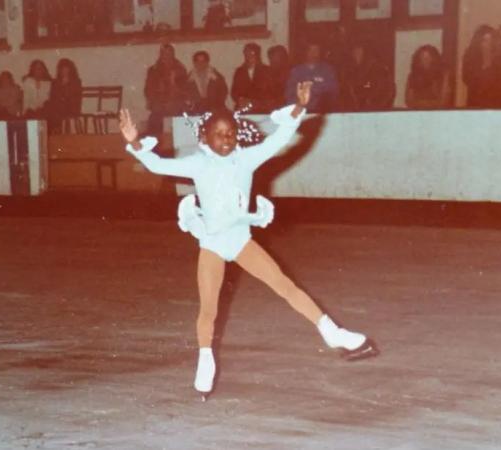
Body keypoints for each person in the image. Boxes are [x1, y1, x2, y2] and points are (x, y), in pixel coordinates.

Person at [119, 81, 378, 399]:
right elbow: (159, 164)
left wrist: (298, 107)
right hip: (213, 244)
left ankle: (333, 332)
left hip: (241, 240)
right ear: (204, 137)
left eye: (230, 134)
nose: (226, 140)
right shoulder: (197, 163)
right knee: (208, 309)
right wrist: (133, 140)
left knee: (285, 286)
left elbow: (280, 140)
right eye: (218, 135)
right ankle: (205, 359)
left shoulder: (247, 159)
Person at [144, 44, 187, 136]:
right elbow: (148, 89)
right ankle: (155, 142)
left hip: (176, 101)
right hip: (159, 102)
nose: (167, 56)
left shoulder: (181, 69)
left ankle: (180, 140)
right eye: (164, 54)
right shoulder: (153, 70)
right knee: (155, 116)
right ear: (160, 55)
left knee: (183, 114)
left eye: (169, 54)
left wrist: (174, 84)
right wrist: (153, 100)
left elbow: (185, 89)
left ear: (173, 55)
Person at [285, 42, 339, 113]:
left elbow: (333, 92)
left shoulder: (327, 70)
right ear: (305, 52)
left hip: (322, 111)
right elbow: (290, 94)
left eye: (316, 50)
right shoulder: (296, 71)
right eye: (311, 50)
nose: (314, 53)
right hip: (302, 111)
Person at [342, 41, 395, 111]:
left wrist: (373, 106)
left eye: (358, 52)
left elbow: (387, 91)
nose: (355, 55)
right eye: (354, 52)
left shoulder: (378, 70)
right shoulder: (353, 71)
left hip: (376, 112)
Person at [462, 25, 499, 108]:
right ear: (478, 41)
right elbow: (466, 79)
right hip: (475, 101)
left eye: (491, 40)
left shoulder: (498, 57)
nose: (488, 43)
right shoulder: (470, 56)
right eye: (485, 40)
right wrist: (485, 65)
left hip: (493, 103)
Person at [405, 45, 452, 109]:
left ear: (433, 59)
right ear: (418, 59)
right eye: (422, 58)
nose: (425, 60)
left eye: (428, 57)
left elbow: (444, 102)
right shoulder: (412, 76)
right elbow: (409, 102)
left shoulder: (442, 76)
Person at [230, 43, 272, 112]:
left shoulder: (266, 71)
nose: (249, 56)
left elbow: (270, 92)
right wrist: (241, 100)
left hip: (261, 108)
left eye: (252, 53)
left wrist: (255, 102)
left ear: (258, 55)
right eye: (246, 53)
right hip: (243, 107)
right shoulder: (239, 71)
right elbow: (234, 92)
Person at [45, 58, 82, 132]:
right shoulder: (55, 82)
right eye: (62, 69)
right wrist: (61, 86)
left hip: (71, 107)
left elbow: (74, 98)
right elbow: (53, 97)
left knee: (56, 111)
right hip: (57, 108)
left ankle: (57, 130)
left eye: (66, 69)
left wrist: (65, 87)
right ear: (60, 70)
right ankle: (54, 131)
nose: (64, 71)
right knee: (49, 108)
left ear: (70, 70)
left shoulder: (76, 82)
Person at [266, 45, 291, 111]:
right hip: (271, 107)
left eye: (275, 57)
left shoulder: (291, 72)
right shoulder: (268, 72)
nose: (272, 61)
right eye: (271, 58)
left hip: (287, 106)